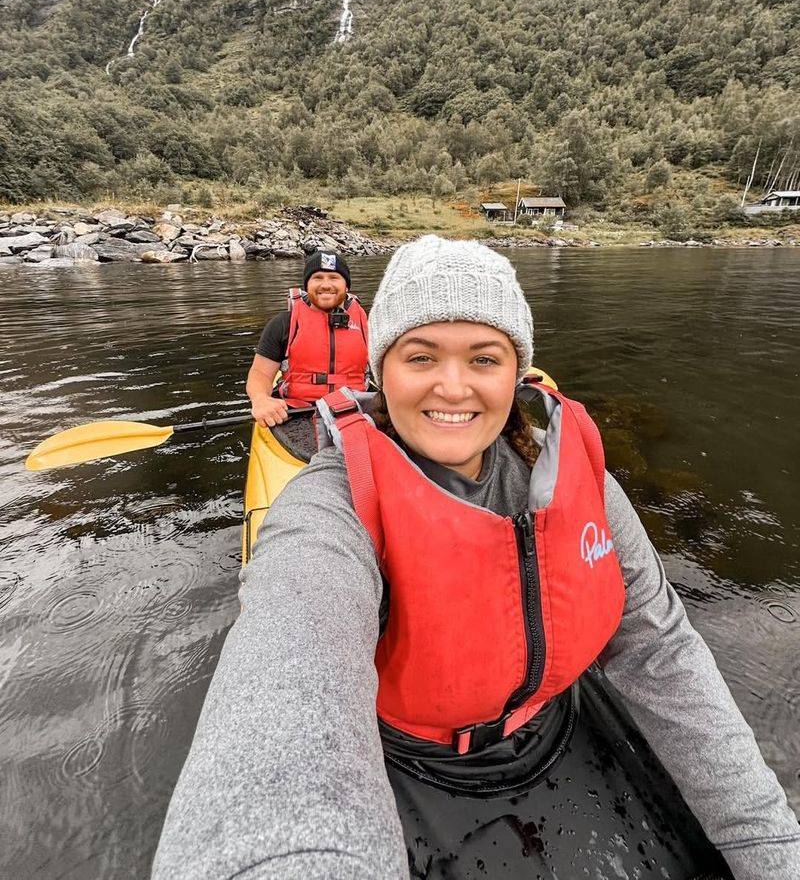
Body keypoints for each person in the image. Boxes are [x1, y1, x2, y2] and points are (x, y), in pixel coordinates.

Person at [153, 236, 800, 880]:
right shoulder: (330, 510)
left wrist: (769, 848)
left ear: (515, 370)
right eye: (422, 356)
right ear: (385, 370)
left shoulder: (576, 478)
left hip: (553, 723)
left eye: (483, 358)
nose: (453, 386)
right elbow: (284, 685)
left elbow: (660, 648)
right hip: (409, 757)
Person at [246, 250, 368, 425]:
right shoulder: (283, 323)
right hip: (298, 411)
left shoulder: (366, 323)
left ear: (346, 286)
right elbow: (260, 373)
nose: (326, 285)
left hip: (355, 407)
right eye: (318, 277)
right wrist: (260, 400)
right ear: (306, 285)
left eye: (334, 277)